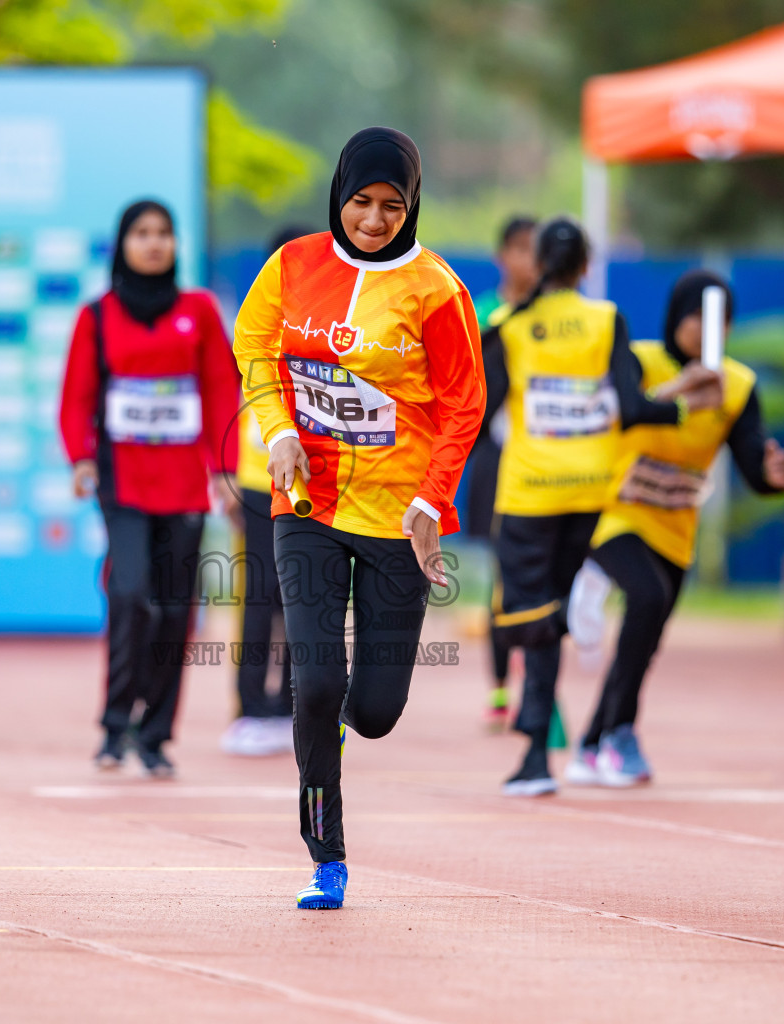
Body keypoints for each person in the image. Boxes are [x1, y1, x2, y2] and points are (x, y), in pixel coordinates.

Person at [232, 126, 484, 909]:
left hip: (395, 517)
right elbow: (256, 347)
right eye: (361, 202)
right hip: (305, 505)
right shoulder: (293, 264)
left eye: (391, 205)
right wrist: (277, 433)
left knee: (371, 712)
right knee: (314, 682)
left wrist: (428, 502)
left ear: (412, 207)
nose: (373, 220)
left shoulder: (436, 289)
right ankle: (326, 855)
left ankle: (336, 722)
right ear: (339, 195)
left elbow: (464, 405)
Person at [486, 217, 721, 797]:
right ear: (587, 266)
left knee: (531, 616)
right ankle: (578, 635)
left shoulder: (508, 325)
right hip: (591, 492)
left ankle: (537, 754)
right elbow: (632, 408)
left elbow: (476, 408)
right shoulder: (605, 319)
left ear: (538, 265)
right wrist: (684, 403)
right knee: (555, 612)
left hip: (530, 494)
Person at [566, 270, 784, 787]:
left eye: (719, 321)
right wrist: (680, 390)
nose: (703, 329)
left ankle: (591, 745)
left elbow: (752, 463)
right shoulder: (639, 360)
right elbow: (618, 414)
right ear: (676, 317)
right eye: (693, 317)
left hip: (675, 527)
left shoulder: (737, 387)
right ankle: (622, 734)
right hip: (614, 512)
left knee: (643, 641)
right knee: (645, 599)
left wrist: (771, 476)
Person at [60, 200, 240, 779]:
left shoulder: (200, 310)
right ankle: (115, 725)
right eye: (142, 233)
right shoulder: (98, 316)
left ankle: (156, 735)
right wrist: (81, 458)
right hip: (124, 481)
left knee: (175, 613)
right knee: (131, 594)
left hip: (185, 485)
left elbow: (218, 389)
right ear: (123, 243)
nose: (154, 243)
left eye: (164, 233)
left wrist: (225, 468)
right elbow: (77, 396)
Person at [223, 224, 313, 758]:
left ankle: (291, 705)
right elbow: (239, 405)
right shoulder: (258, 321)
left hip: (317, 485)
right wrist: (232, 481)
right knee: (259, 598)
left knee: (305, 601)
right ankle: (250, 705)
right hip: (261, 483)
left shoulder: (333, 327)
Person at [467, 216, 539, 729]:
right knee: (503, 572)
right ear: (501, 256)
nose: (528, 261)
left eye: (536, 251)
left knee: (540, 576)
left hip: (550, 463)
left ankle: (538, 679)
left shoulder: (554, 318)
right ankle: (499, 686)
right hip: (498, 460)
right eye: (519, 250)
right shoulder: (484, 317)